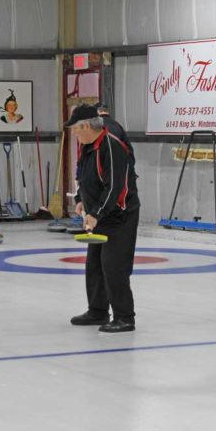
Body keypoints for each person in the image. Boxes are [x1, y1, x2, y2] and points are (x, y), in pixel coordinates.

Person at [66, 103, 140, 333]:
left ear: (87, 126)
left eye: (76, 129)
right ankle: (97, 311)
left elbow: (115, 188)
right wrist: (81, 199)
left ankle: (125, 317)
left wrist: (96, 213)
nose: (74, 134)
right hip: (100, 214)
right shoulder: (88, 146)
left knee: (114, 267)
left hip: (119, 216)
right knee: (95, 265)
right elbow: (85, 176)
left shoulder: (111, 146)